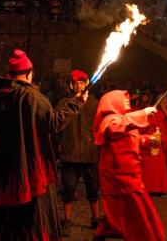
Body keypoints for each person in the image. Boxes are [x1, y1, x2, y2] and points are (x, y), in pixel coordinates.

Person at [0, 49, 85, 240]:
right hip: (27, 168)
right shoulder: (33, 98)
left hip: (0, 168)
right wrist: (76, 103)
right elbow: (52, 123)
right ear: (29, 73)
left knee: (2, 214)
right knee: (28, 217)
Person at [92, 90, 164, 241]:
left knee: (121, 212)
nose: (128, 100)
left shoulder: (126, 120)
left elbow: (133, 140)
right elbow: (116, 128)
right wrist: (143, 112)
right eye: (123, 99)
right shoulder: (111, 120)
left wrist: (148, 140)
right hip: (119, 177)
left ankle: (101, 234)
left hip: (130, 175)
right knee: (137, 212)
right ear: (113, 102)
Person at [58, 70, 101, 236]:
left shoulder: (94, 103)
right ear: (71, 85)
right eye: (75, 83)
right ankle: (67, 220)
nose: (78, 86)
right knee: (68, 188)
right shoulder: (64, 102)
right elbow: (57, 125)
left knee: (93, 189)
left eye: (81, 83)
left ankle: (95, 219)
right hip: (71, 153)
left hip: (90, 153)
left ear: (86, 83)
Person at [141, 96, 167, 195]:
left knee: (159, 165)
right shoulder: (148, 114)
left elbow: (163, 129)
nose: (165, 103)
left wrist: (161, 139)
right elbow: (143, 128)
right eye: (163, 101)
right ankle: (149, 188)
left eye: (166, 101)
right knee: (148, 166)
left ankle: (160, 189)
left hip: (157, 143)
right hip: (148, 143)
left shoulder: (161, 115)